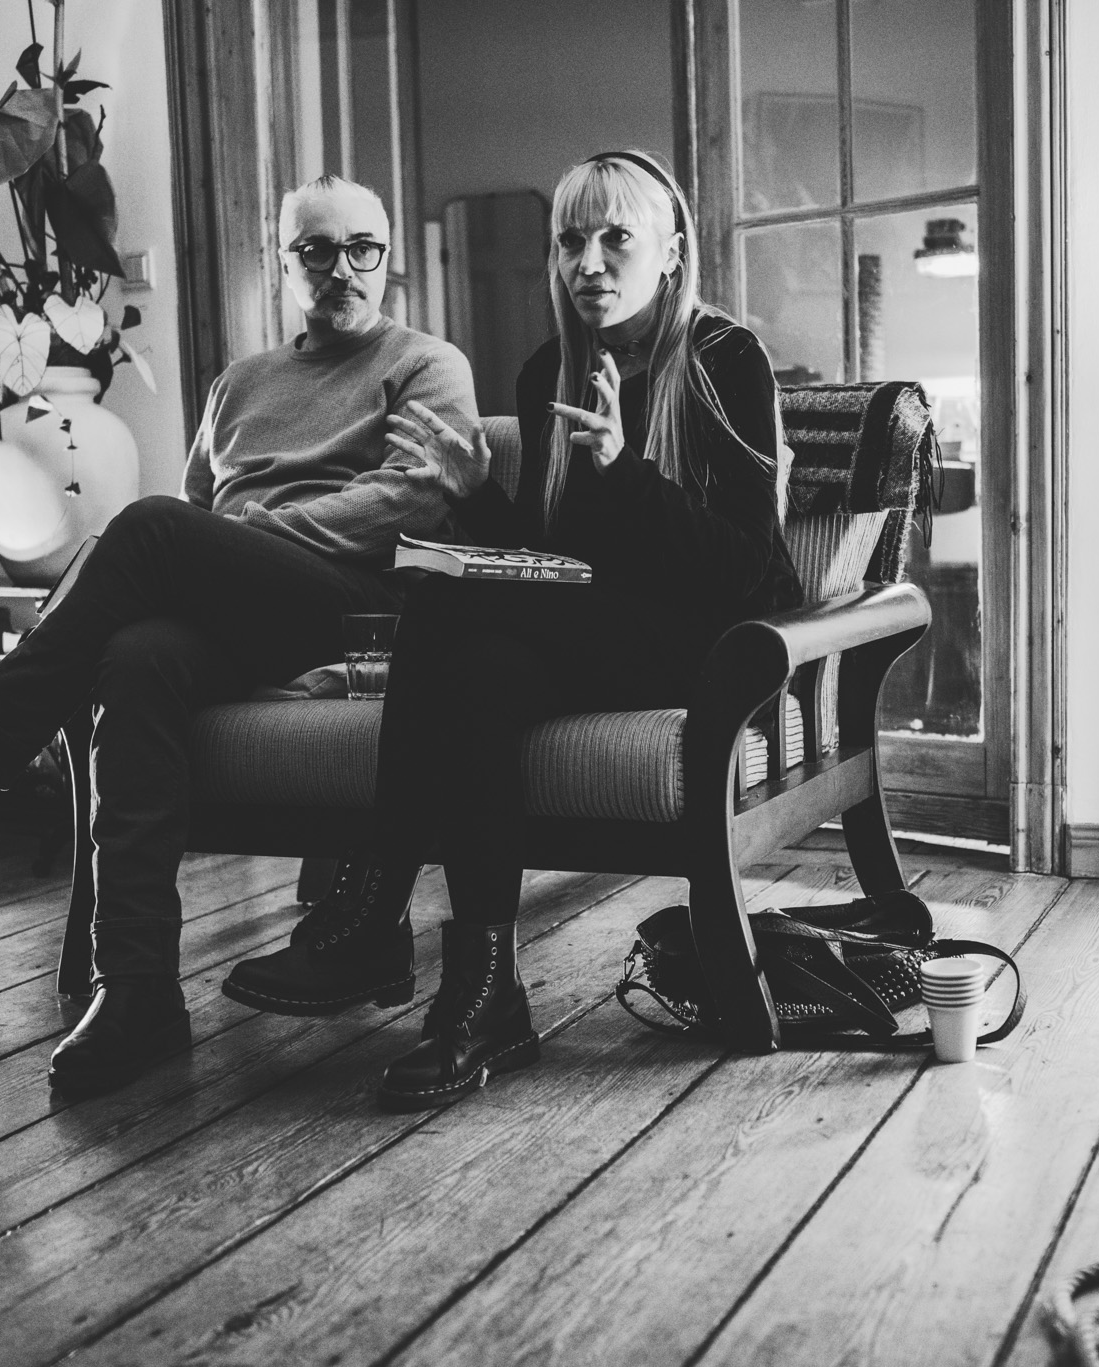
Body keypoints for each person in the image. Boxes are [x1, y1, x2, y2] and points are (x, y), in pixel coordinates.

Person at [0, 175, 477, 1095]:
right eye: (316, 250)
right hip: (238, 613)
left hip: (348, 608)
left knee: (148, 530)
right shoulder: (239, 384)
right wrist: (218, 548)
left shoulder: (427, 363)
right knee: (136, 655)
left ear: (388, 258)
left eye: (362, 249)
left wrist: (249, 539)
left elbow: (416, 496)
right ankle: (137, 987)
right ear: (283, 265)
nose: (341, 268)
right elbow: (198, 516)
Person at [222, 150, 802, 1111]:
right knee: (478, 669)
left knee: (448, 607)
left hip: (712, 646)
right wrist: (476, 495)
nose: (589, 262)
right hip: (599, 635)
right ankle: (486, 996)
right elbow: (552, 560)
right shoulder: (550, 371)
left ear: (671, 251)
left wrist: (624, 473)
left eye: (616, 238)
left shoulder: (723, 361)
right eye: (571, 241)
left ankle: (372, 907)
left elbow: (752, 569)